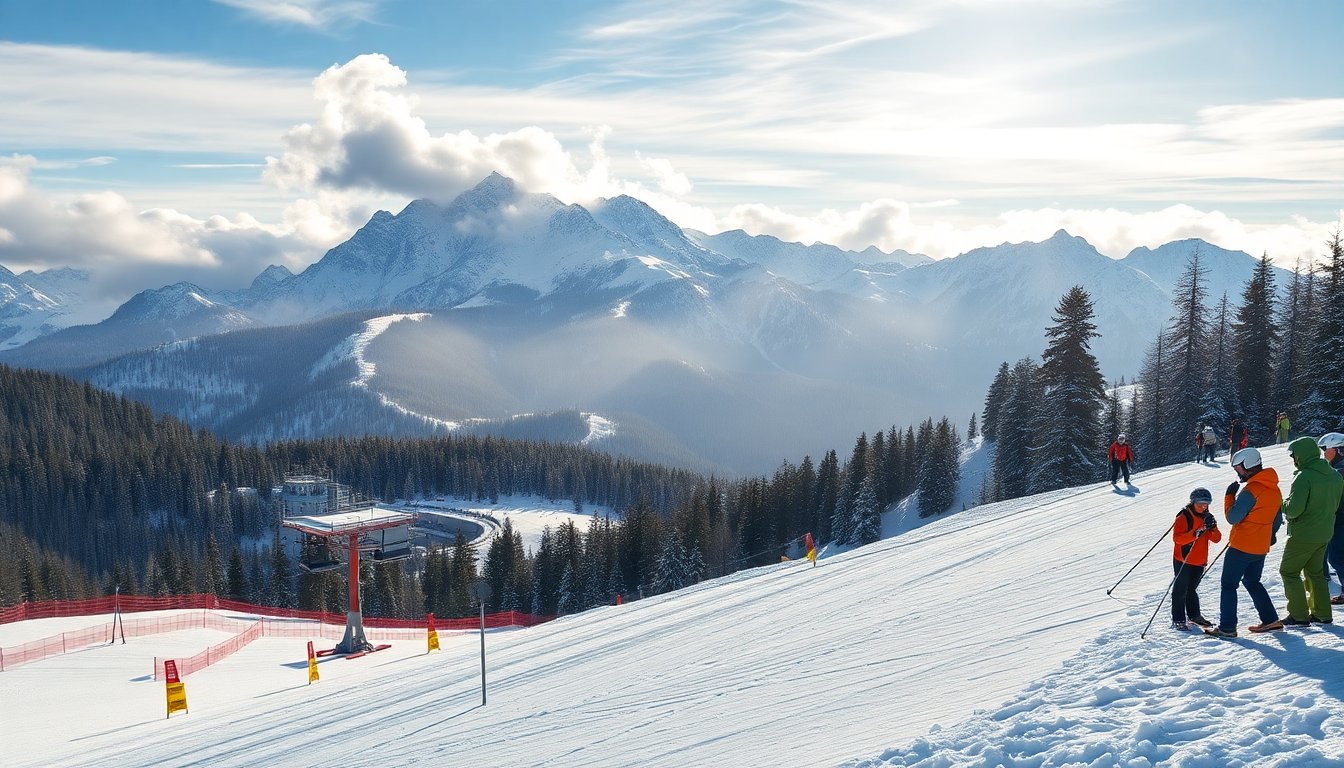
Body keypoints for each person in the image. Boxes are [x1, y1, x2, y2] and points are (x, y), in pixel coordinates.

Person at [1205, 447, 1283, 637]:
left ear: (1248, 465)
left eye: (1239, 468)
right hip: (1260, 548)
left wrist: (1229, 496)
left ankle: (1227, 627)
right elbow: (1277, 519)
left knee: (1229, 585)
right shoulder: (1274, 489)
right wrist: (1269, 536)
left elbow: (1233, 517)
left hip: (1241, 546)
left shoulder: (1252, 490)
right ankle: (1271, 620)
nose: (1237, 472)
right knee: (1252, 581)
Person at [1278, 436, 1344, 626]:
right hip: (1325, 532)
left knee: (1289, 572)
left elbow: (1293, 510)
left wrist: (1282, 505)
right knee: (1315, 573)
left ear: (1302, 455)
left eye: (1294, 456)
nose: (1294, 460)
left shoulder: (1304, 477)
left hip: (1303, 533)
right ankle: (1322, 613)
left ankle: (1298, 615)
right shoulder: (1335, 475)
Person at [1171, 487, 1221, 630]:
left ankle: (1194, 616)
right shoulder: (1183, 516)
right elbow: (1177, 539)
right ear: (1193, 503)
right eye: (1201, 504)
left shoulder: (1207, 517)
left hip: (1199, 560)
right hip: (1184, 559)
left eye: (1206, 504)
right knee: (1180, 589)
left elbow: (1217, 539)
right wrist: (1195, 534)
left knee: (1192, 588)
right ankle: (1178, 618)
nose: (1204, 507)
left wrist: (1213, 527)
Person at [1320, 433, 1344, 605]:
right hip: (1339, 520)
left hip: (1339, 521)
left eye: (1325, 450)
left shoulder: (1339, 472)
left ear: (1338, 450)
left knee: (1336, 557)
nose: (1323, 454)